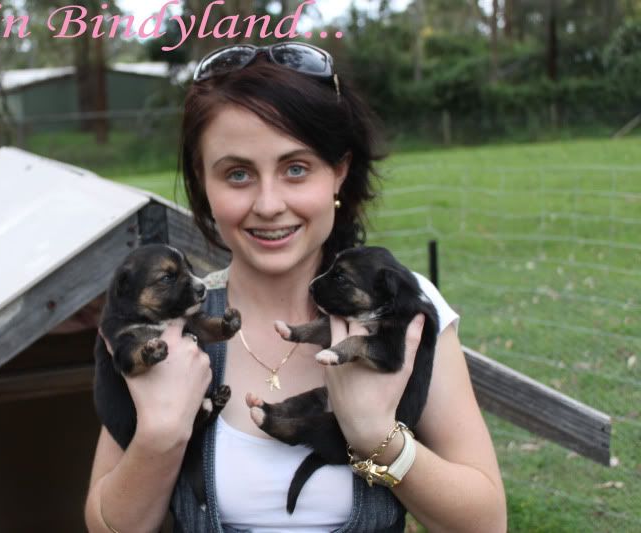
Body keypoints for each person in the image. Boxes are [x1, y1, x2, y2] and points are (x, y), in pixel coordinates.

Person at [85, 42, 506, 533]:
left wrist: (377, 437)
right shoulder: (161, 329)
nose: (268, 204)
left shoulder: (407, 312)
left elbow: (486, 524)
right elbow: (105, 525)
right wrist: (160, 436)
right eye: (237, 174)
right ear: (203, 182)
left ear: (339, 171)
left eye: (296, 168)